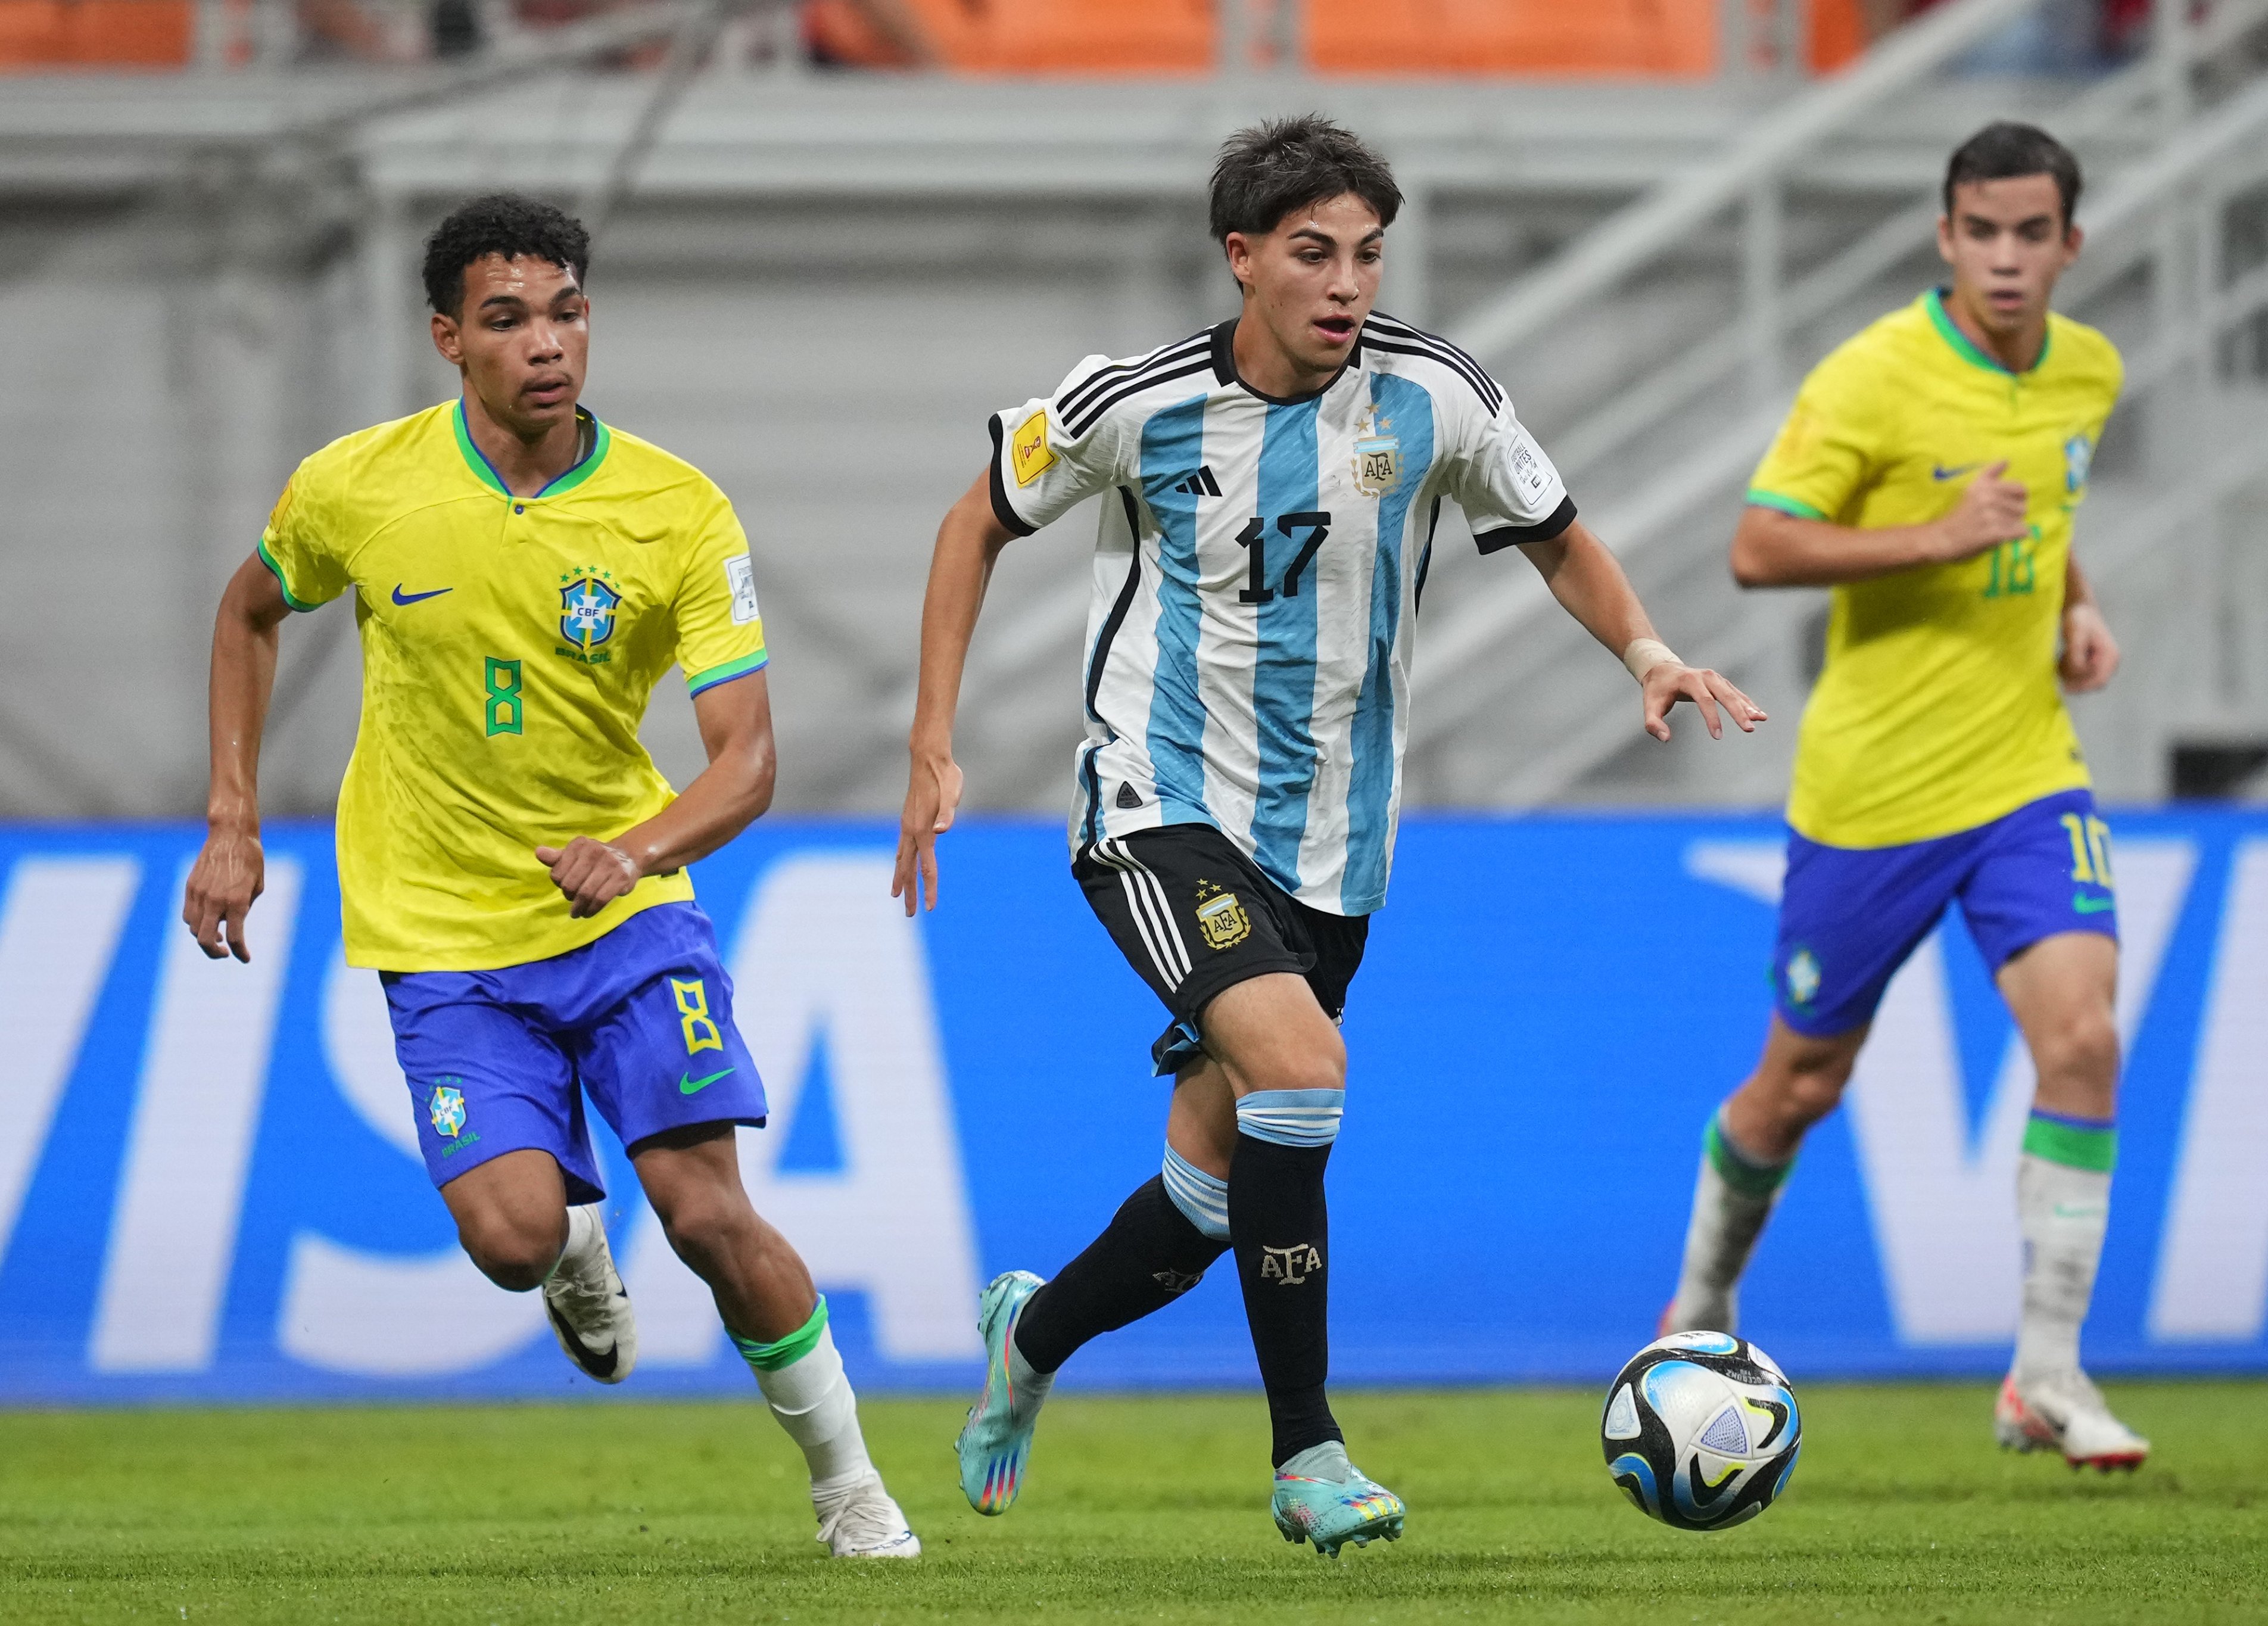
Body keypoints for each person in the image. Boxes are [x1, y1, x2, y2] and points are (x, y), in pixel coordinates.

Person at [893, 114, 1765, 1556]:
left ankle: (1029, 1337)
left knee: (1208, 1193)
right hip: (1155, 804)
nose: (1345, 281)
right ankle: (1308, 1456)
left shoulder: (1435, 395)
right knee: (1302, 1071)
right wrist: (933, 738)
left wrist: (1647, 653)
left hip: (1335, 850)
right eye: (1312, 253)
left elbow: (1554, 531)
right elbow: (972, 523)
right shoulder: (1132, 402)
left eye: (1365, 253)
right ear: (1241, 258)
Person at [180, 194, 920, 1557]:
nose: (545, 345)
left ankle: (848, 1488)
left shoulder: (675, 510)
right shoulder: (360, 485)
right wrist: (233, 811)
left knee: (706, 1211)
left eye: (566, 312)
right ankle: (572, 1254)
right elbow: (247, 611)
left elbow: (745, 762)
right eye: (508, 320)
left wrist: (634, 852)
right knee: (514, 1240)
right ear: (447, 339)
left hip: (629, 913)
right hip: (442, 927)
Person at [1659, 122, 2147, 1471]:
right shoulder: (1871, 377)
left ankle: (2042, 1373)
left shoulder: (2088, 371)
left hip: (2023, 775)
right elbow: (1757, 547)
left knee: (2084, 1042)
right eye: (1978, 232)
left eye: (2028, 234)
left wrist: (2076, 604)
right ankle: (1698, 1305)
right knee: (1795, 1087)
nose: (2003, 258)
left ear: (2067, 243)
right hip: (1871, 792)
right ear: (1944, 238)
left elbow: (2045, 513)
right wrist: (1929, 538)